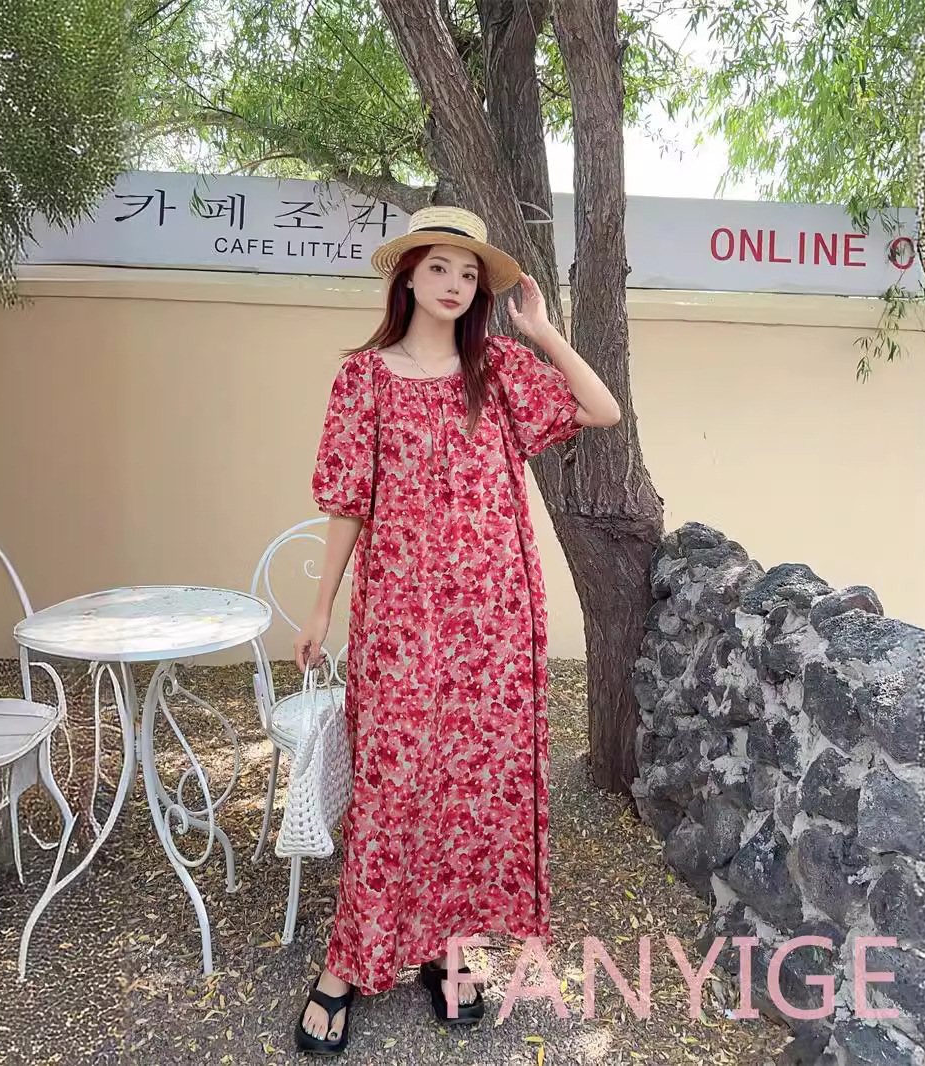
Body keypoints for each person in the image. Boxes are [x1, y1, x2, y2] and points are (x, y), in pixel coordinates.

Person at [291, 205, 621, 1055]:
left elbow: (602, 410)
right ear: (407, 275)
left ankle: (446, 953)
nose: (454, 284)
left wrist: (541, 331)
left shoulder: (498, 369)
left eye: (468, 273)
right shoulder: (363, 377)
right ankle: (346, 964)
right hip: (400, 617)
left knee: (471, 785)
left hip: (492, 618)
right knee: (392, 781)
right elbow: (346, 501)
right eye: (439, 267)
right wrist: (322, 606)